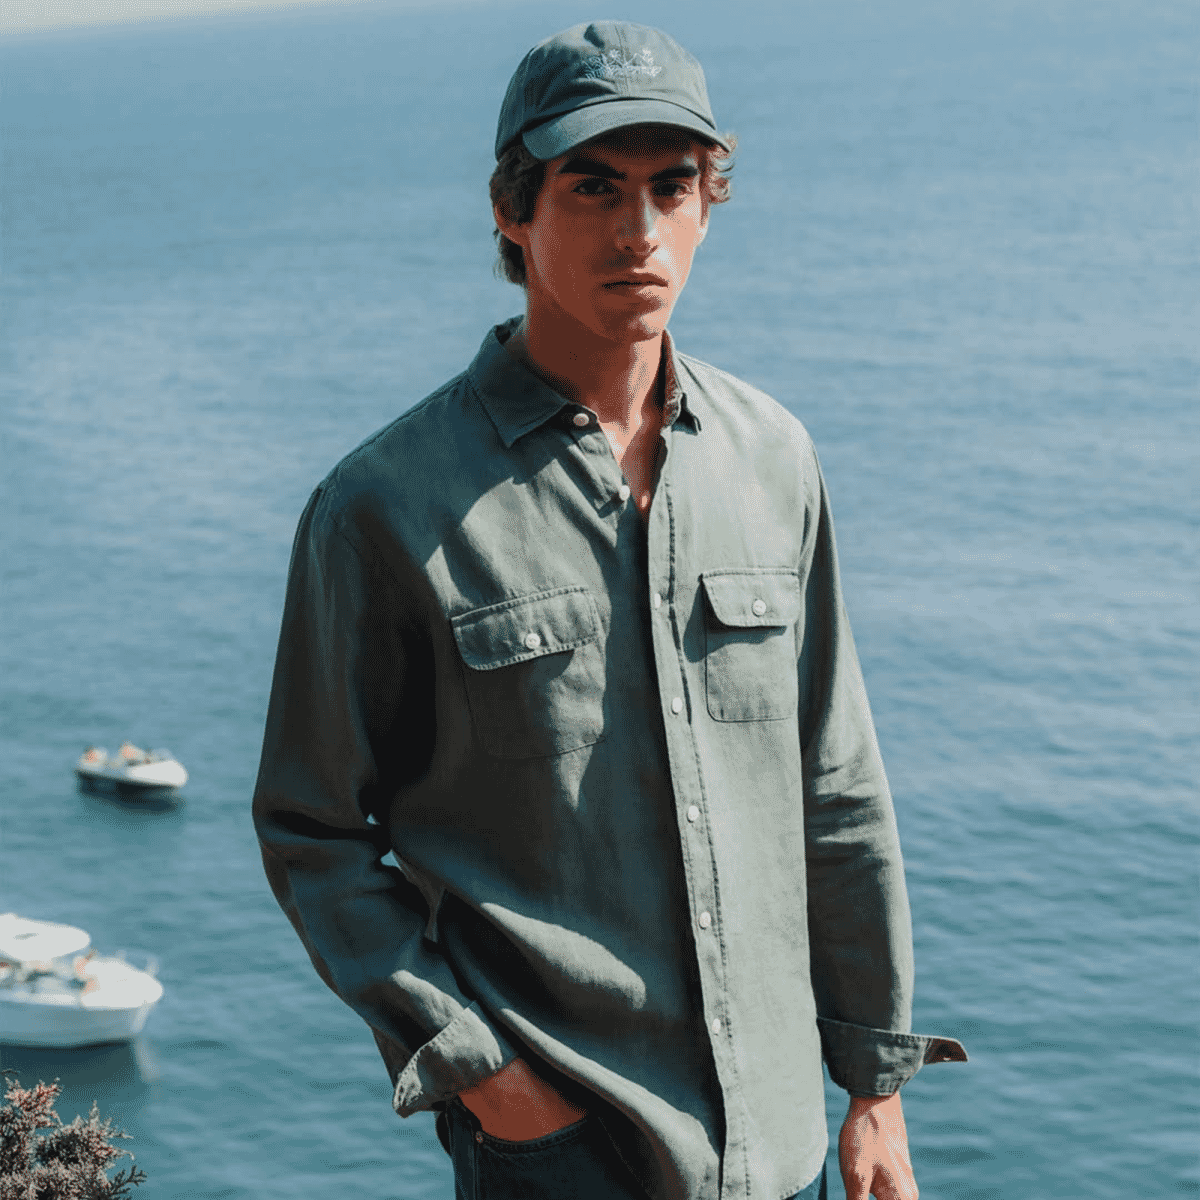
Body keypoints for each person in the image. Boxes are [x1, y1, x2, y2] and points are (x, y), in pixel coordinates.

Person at [252, 20, 966, 1200]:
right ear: (512, 210)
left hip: (780, 1145)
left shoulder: (772, 460)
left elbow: (834, 784)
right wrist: (490, 1077)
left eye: (668, 188)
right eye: (591, 188)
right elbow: (312, 829)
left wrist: (875, 1086)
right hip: (561, 1158)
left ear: (706, 204)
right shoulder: (381, 507)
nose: (637, 232)